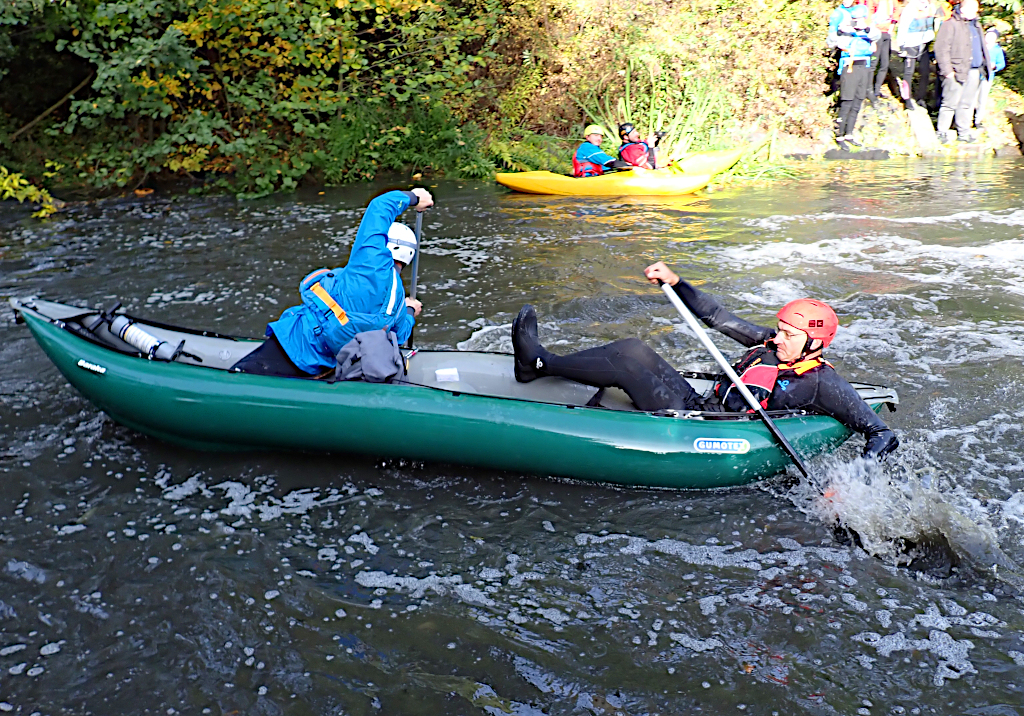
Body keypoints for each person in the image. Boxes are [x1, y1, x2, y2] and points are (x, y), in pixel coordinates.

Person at [510, 262, 899, 461]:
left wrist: (850, 482)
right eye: (779, 328)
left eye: (788, 334)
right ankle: (537, 365)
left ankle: (539, 363)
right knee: (633, 348)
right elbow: (718, 316)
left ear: (814, 343)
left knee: (627, 364)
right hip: (699, 407)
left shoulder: (822, 383)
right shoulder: (770, 343)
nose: (777, 337)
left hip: (710, 429)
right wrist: (677, 282)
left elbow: (881, 434)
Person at [231, 188, 432, 377]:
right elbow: (401, 333)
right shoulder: (396, 303)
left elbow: (380, 205)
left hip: (296, 344)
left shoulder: (371, 261)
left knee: (239, 376)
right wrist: (410, 310)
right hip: (326, 365)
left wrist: (414, 197)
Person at [934, 0, 989, 143]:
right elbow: (941, 48)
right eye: (972, 9)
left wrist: (985, 66)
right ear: (963, 9)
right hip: (956, 70)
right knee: (949, 103)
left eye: (976, 9)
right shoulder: (950, 24)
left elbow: (981, 46)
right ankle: (942, 132)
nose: (976, 12)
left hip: (974, 70)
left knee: (967, 103)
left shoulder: (976, 24)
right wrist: (947, 70)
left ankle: (964, 133)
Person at [833, 4, 881, 148]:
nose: (857, 21)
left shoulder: (868, 28)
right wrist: (853, 31)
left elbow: (876, 36)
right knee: (847, 100)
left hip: (864, 66)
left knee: (858, 99)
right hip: (850, 65)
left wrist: (865, 29)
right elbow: (840, 42)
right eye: (855, 18)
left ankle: (849, 133)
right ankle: (840, 135)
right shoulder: (845, 28)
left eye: (859, 18)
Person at [894, 0, 938, 107]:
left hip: (924, 44)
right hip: (911, 44)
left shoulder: (931, 6)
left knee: (925, 72)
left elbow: (933, 25)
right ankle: (907, 98)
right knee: (909, 72)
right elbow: (903, 26)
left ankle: (921, 98)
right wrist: (901, 45)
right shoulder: (910, 8)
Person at [974, 27, 1006, 129]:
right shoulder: (979, 46)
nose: (989, 38)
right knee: (971, 97)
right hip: (975, 75)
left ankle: (978, 120)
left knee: (982, 99)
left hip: (988, 77)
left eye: (992, 36)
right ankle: (966, 119)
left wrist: (995, 66)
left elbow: (1001, 63)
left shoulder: (997, 50)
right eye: (988, 35)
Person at [868, 0, 898, 100]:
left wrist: (892, 25)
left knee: (885, 63)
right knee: (873, 62)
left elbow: (897, 9)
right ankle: (868, 90)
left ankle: (877, 90)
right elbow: (869, 11)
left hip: (887, 32)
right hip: (876, 31)